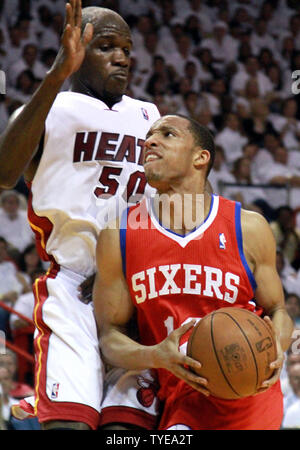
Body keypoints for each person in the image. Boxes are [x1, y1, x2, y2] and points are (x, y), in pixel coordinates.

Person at [0, 0, 160, 431]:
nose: (122, 57)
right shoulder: (48, 108)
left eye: (126, 48)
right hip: (73, 287)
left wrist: (124, 266)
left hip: (134, 290)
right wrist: (56, 75)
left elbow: (169, 203)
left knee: (125, 431)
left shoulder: (151, 117)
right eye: (107, 46)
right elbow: (3, 172)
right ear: (76, 52)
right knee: (69, 426)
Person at [94, 114, 294, 430]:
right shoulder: (118, 234)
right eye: (148, 136)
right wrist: (155, 355)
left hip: (250, 394)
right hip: (182, 399)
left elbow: (278, 310)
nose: (150, 141)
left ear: (200, 158)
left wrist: (276, 348)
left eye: (168, 134)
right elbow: (110, 337)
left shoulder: (248, 227)